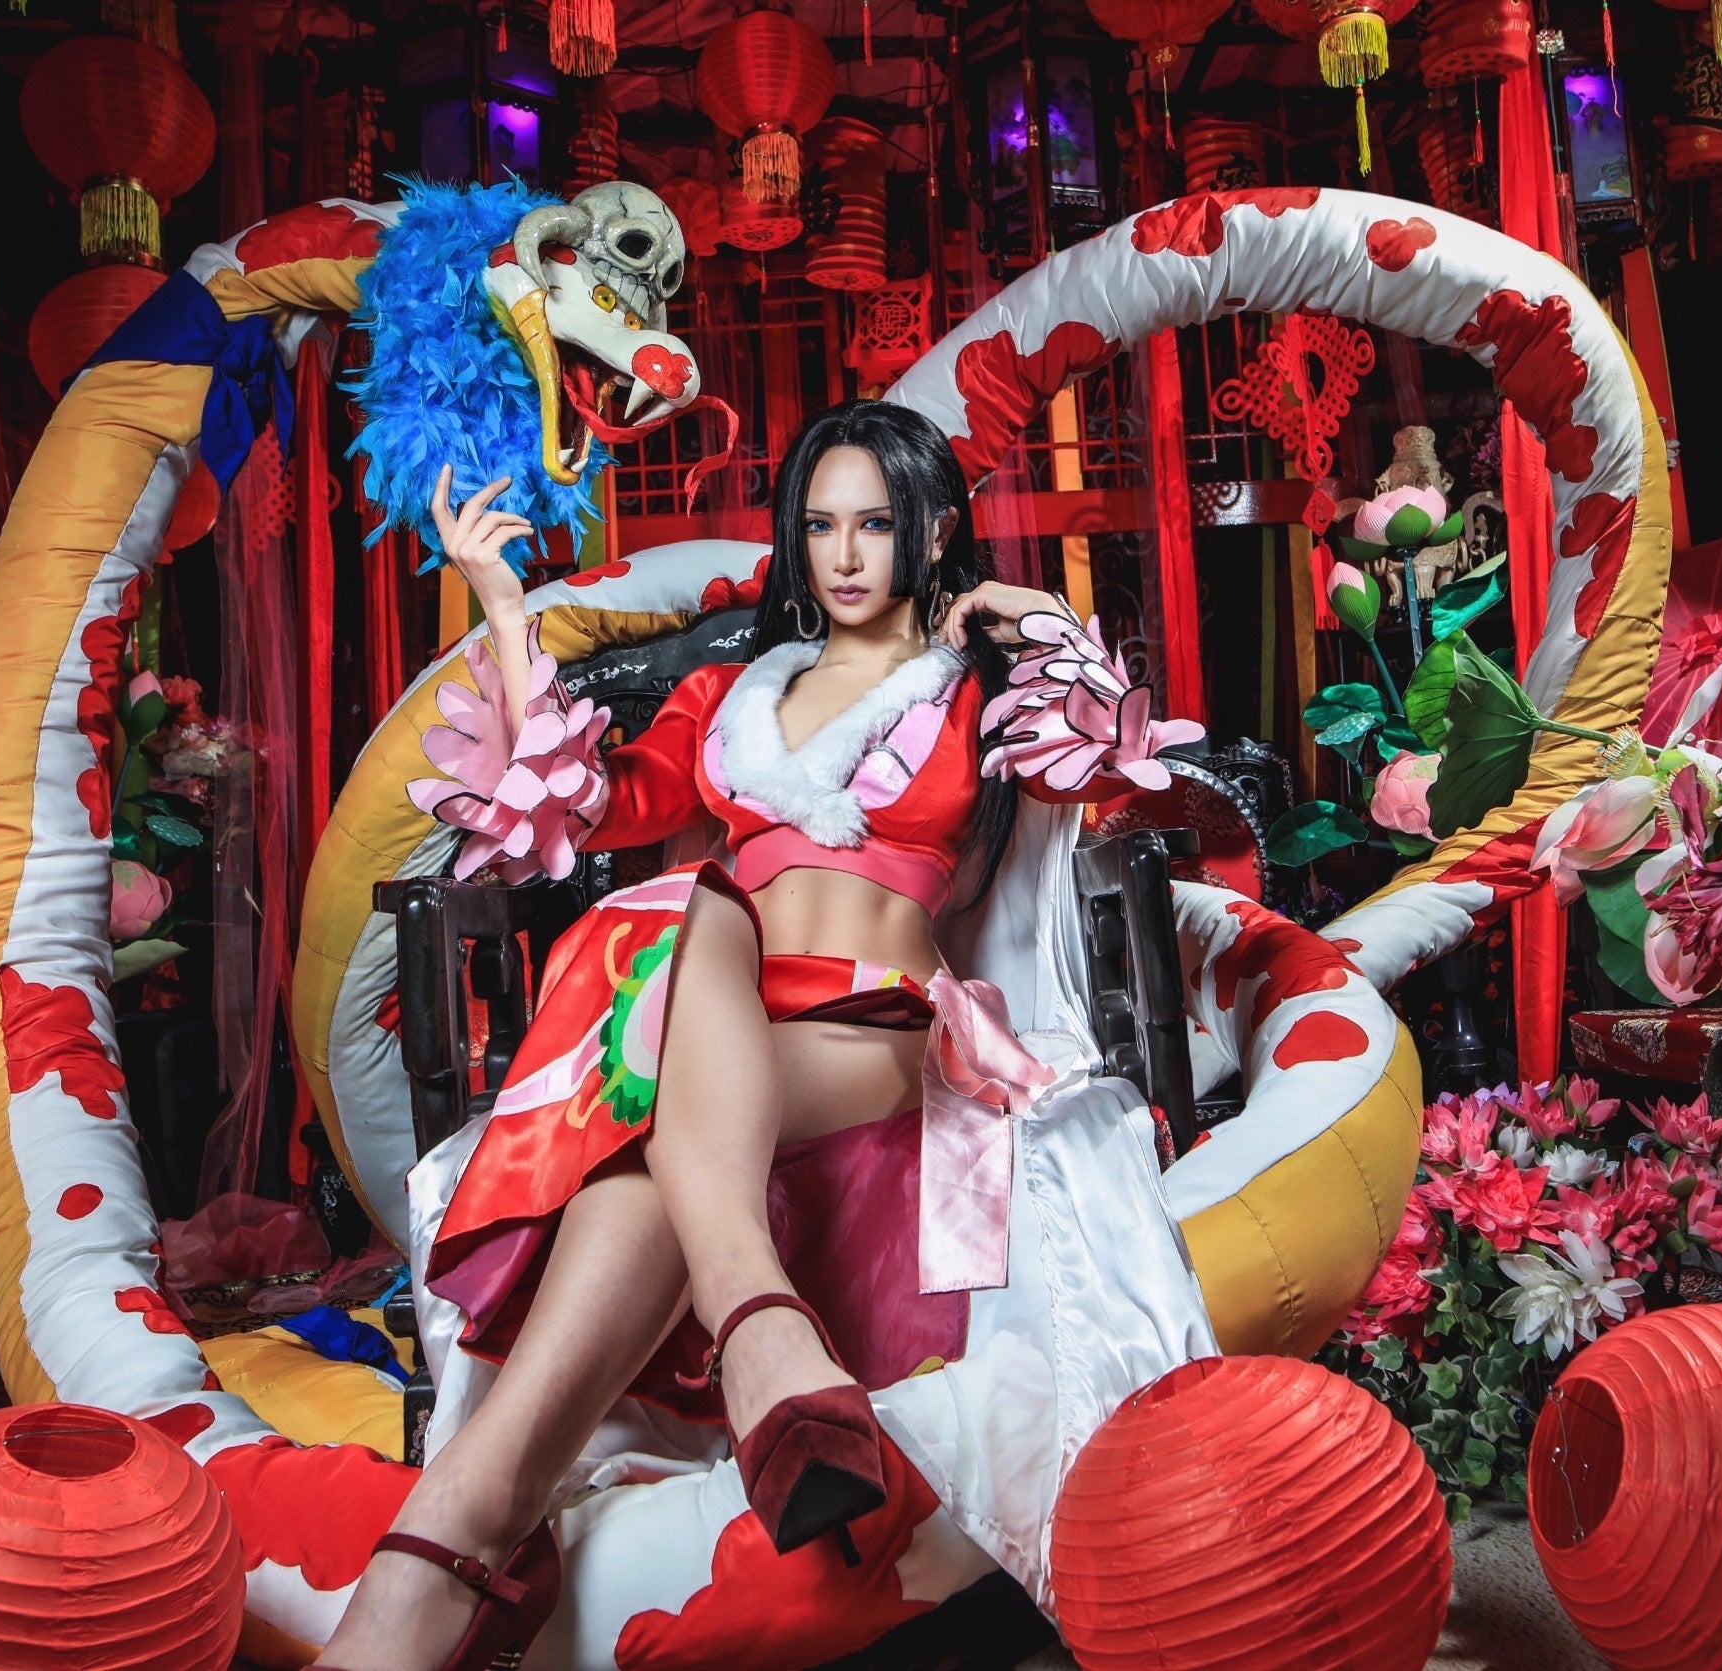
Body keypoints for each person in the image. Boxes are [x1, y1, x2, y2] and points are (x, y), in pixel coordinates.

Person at [319, 400, 1188, 1671]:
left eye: (875, 525)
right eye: (819, 526)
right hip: (723, 1026)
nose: (843, 555)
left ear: (932, 531)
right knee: (678, 910)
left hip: (879, 1026)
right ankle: (745, 1339)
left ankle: (451, 1542)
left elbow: (1105, 763)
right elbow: (595, 806)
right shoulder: (728, 694)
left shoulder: (977, 690)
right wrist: (504, 614)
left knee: (663, 998)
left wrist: (1027, 615)